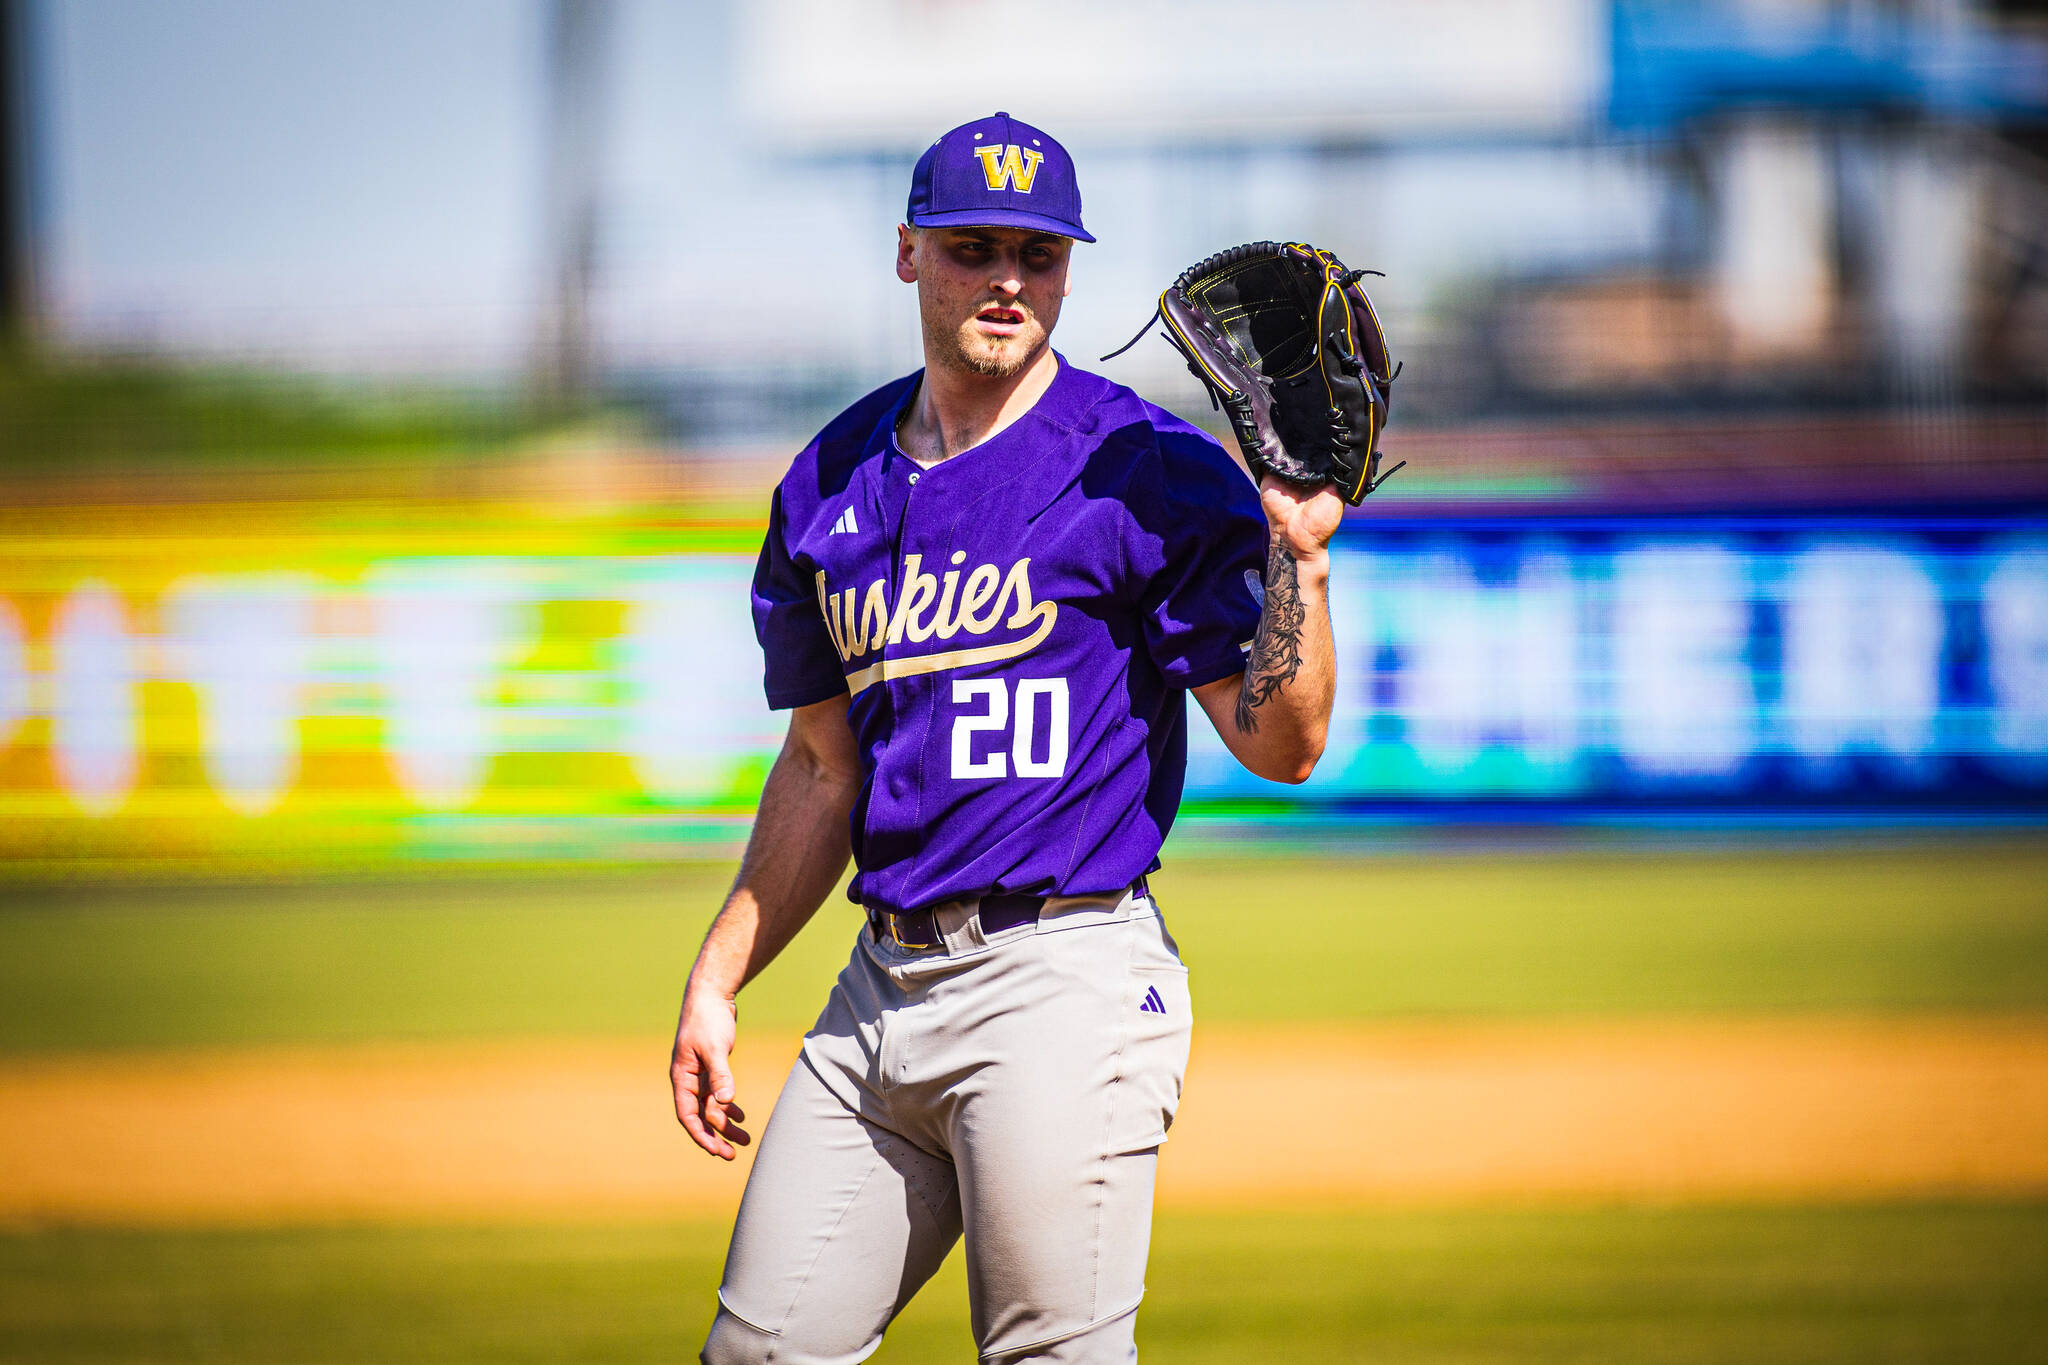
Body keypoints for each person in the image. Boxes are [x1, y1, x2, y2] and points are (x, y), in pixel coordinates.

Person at [672, 111, 1345, 1364]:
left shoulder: (1140, 465)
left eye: (1036, 253)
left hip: (1062, 982)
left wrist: (1298, 564)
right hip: (878, 992)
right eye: (971, 246)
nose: (1006, 280)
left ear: (1068, 268)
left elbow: (1281, 745)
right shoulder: (826, 483)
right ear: (906, 255)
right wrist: (717, 983)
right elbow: (824, 769)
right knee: (754, 1352)